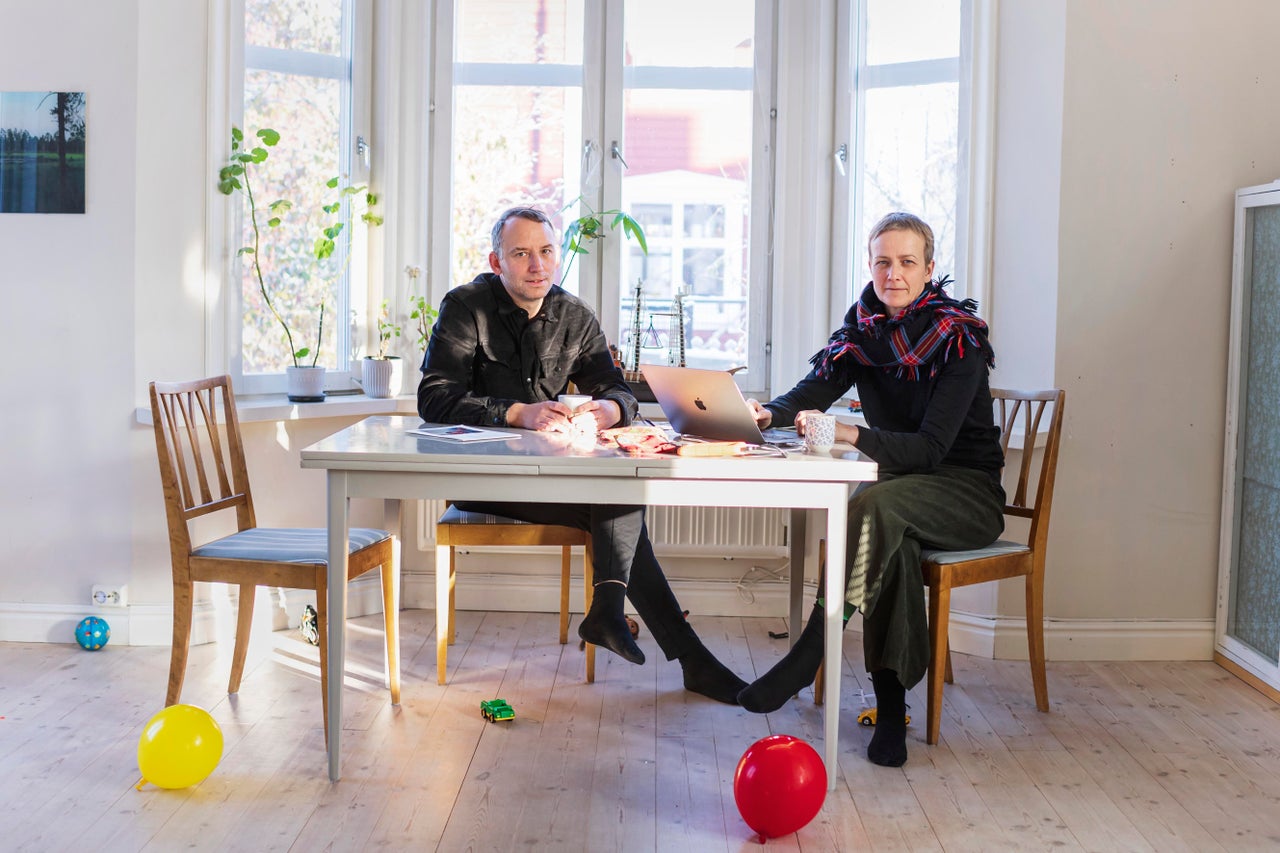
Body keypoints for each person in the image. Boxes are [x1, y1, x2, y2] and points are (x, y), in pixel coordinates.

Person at [416, 206, 748, 703]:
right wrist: (517, 413)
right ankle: (656, 639)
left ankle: (624, 619)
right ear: (496, 260)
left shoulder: (574, 315)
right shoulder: (466, 307)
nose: (537, 266)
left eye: (546, 252)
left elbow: (618, 389)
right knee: (618, 505)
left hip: (554, 477)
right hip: (485, 479)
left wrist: (610, 410)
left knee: (617, 493)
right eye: (521, 254)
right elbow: (433, 397)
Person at [736, 212, 1005, 767]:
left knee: (872, 501)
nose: (894, 274)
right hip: (903, 497)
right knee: (891, 537)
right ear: (870, 266)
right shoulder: (863, 334)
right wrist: (767, 413)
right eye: (883, 261)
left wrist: (850, 431)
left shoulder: (959, 340)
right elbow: (813, 389)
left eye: (908, 262)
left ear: (930, 269)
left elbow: (931, 450)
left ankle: (809, 651)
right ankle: (890, 711)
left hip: (966, 492)